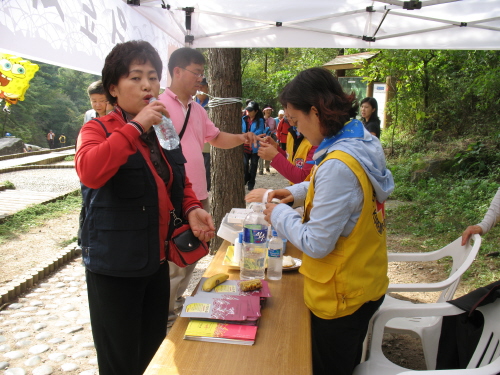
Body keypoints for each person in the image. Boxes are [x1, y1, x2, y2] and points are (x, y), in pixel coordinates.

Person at [75, 40, 215, 375]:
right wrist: (135, 127)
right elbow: (91, 171)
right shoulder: (96, 129)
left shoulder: (162, 130)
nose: (147, 85)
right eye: (135, 77)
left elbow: (178, 180)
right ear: (113, 88)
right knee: (120, 359)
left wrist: (193, 208)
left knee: (152, 349)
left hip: (155, 260)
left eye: (152, 77)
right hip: (114, 266)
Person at [262, 67, 394, 375]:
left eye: (295, 122)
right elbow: (339, 189)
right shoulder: (361, 140)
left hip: (341, 295)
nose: (296, 131)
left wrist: (279, 214)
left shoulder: (338, 163)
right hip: (365, 280)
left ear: (315, 110)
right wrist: (291, 193)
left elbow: (317, 243)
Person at [158, 47, 260, 331]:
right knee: (173, 259)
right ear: (177, 71)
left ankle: (173, 304)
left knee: (191, 253)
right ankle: (163, 315)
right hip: (172, 197)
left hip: (197, 195)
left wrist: (242, 137)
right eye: (196, 73)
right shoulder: (159, 106)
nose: (200, 80)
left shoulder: (196, 109)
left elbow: (215, 138)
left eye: (202, 74)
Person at [242, 100, 266, 190]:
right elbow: (241, 130)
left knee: (254, 165)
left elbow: (260, 132)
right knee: (244, 164)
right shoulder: (243, 119)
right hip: (244, 146)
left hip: (255, 147)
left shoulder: (260, 121)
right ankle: (246, 177)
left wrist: (250, 135)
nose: (249, 112)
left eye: (251, 110)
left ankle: (251, 183)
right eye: (248, 110)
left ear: (256, 111)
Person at [195, 77, 211, 192]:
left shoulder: (212, 104)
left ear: (208, 88)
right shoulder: (190, 102)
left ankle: (206, 191)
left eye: (202, 87)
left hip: (207, 145)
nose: (200, 89)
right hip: (193, 144)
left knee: (206, 169)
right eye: (198, 87)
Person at [258, 105, 276, 174]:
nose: (268, 111)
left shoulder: (273, 120)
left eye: (270, 110)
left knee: (268, 151)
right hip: (262, 137)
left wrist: (271, 133)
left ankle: (267, 167)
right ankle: (261, 169)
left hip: (270, 138)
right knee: (260, 152)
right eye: (267, 110)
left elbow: (275, 129)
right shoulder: (260, 120)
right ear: (264, 111)